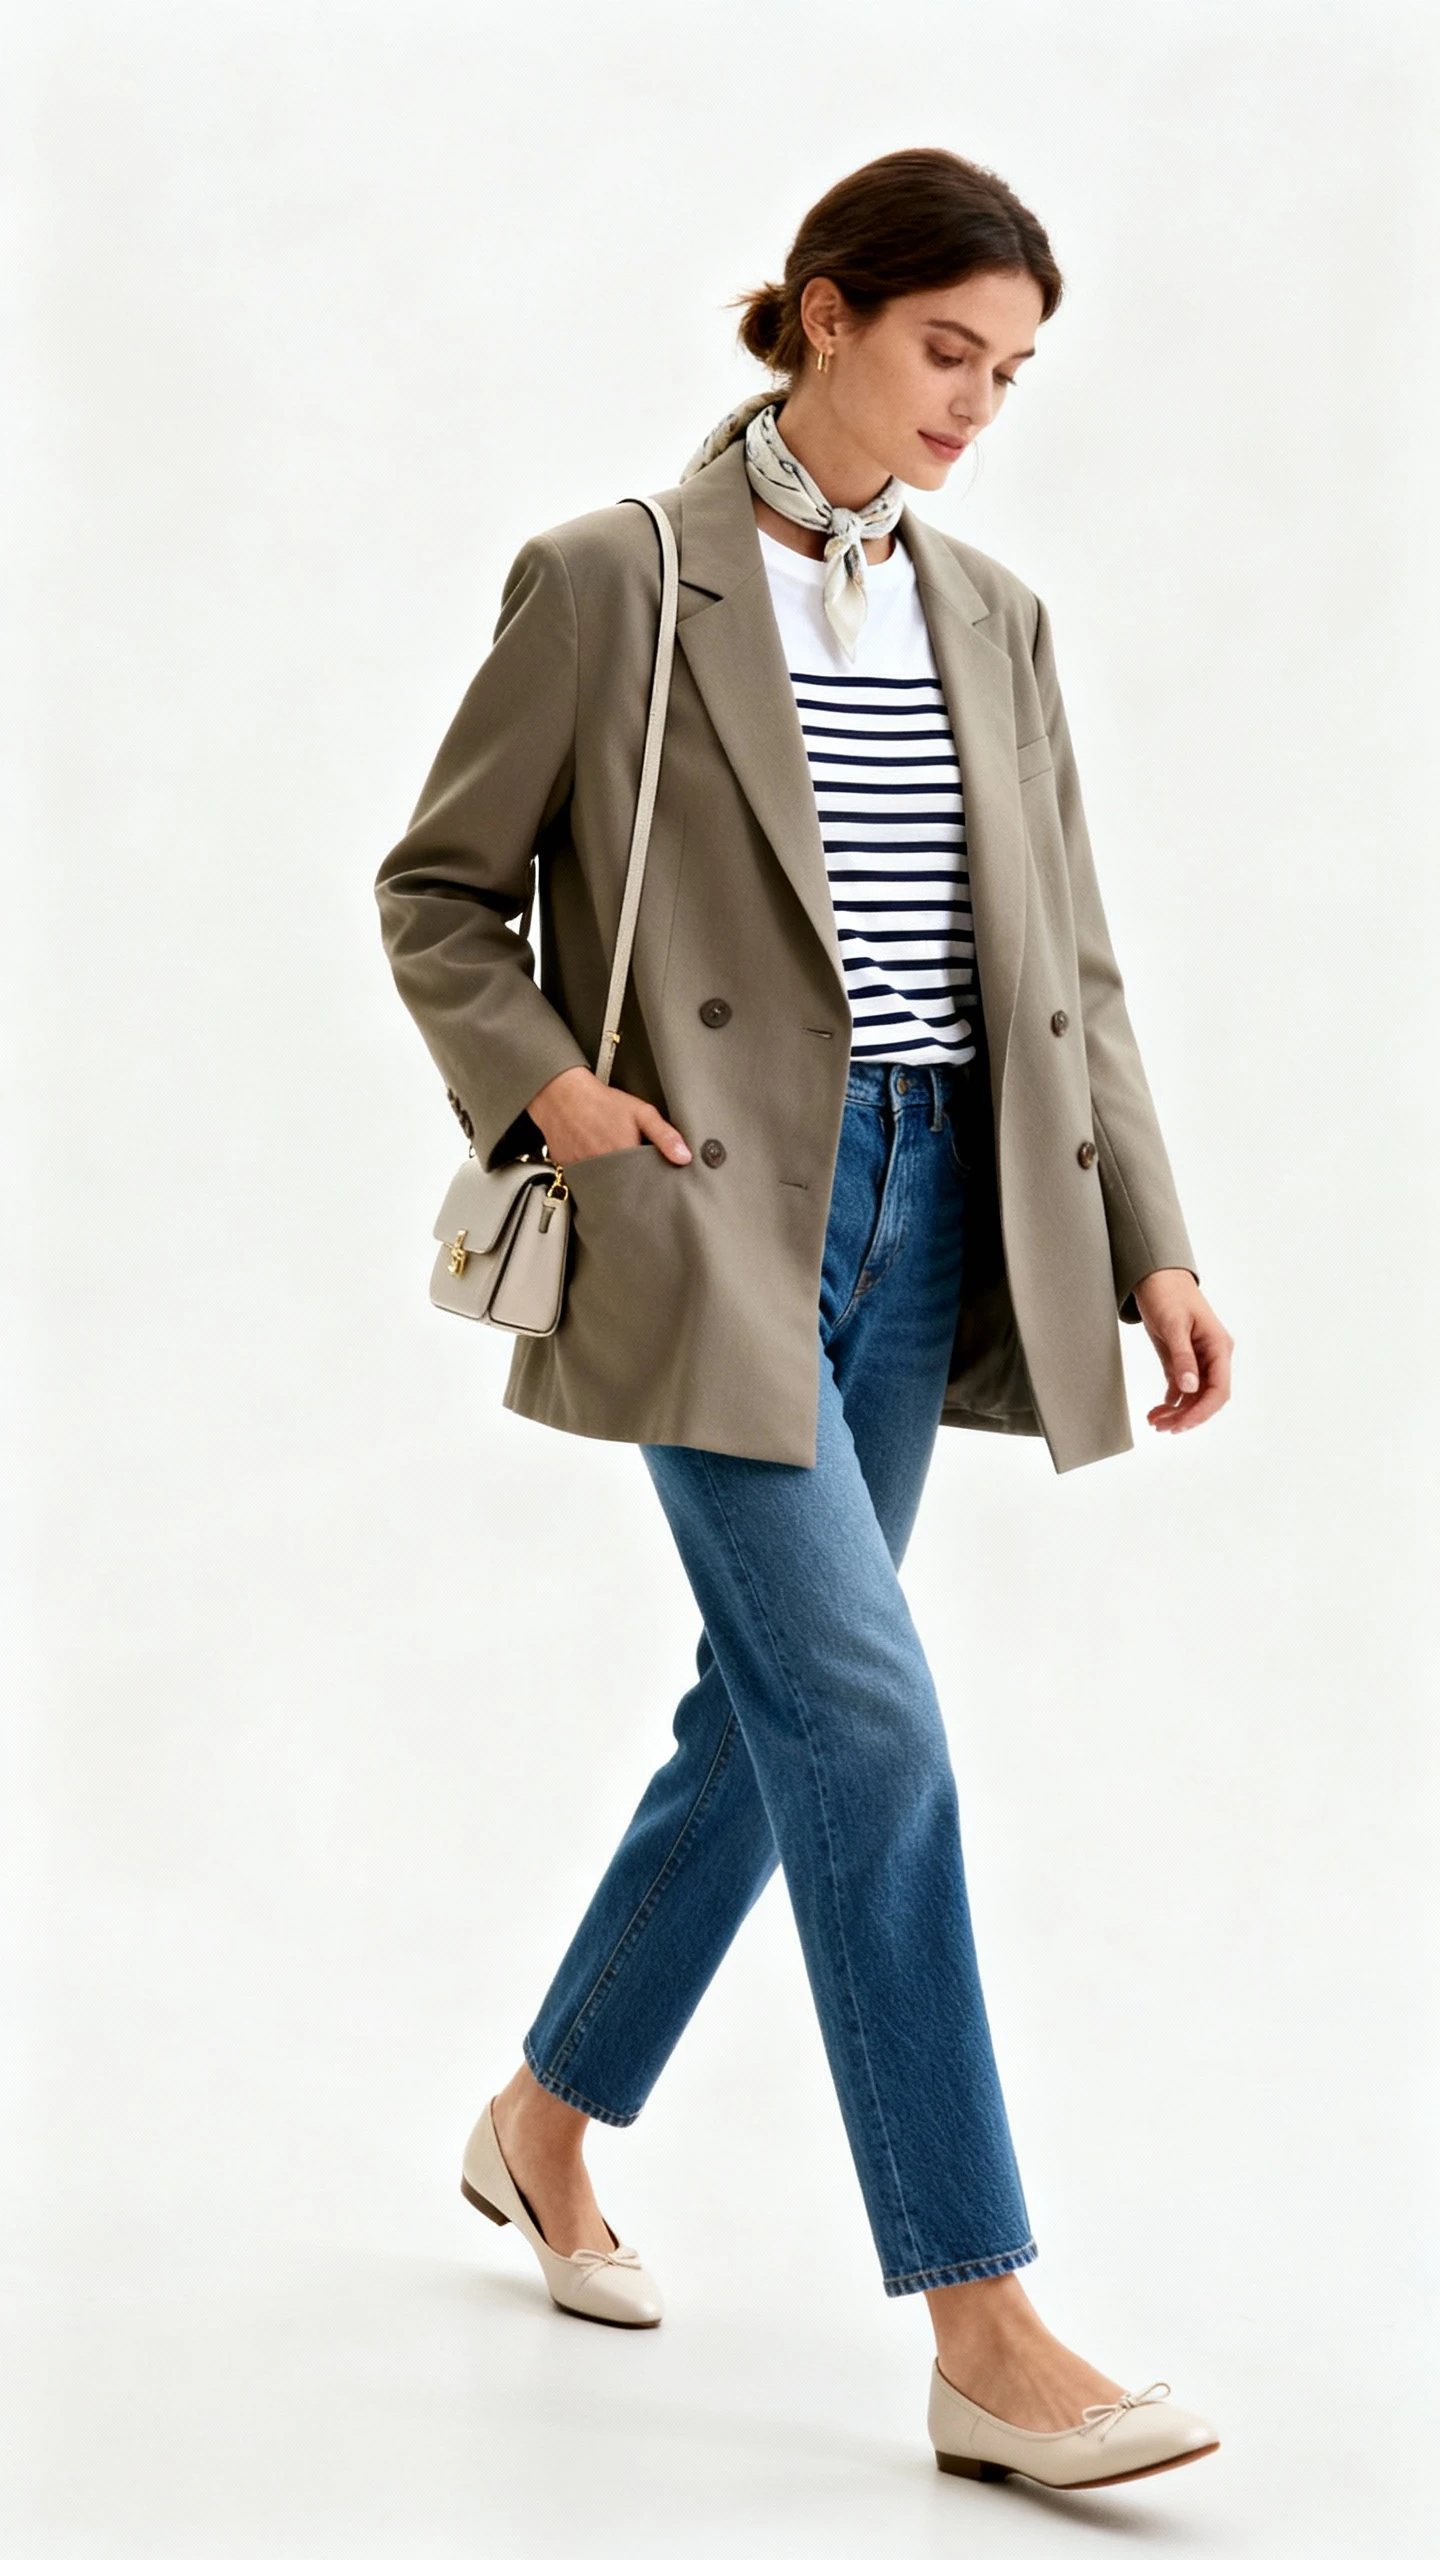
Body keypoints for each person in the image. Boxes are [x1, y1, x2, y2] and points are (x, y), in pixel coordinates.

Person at [374, 146, 1233, 2494]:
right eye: (949, 351)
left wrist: (1146, 1226)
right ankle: (984, 2321)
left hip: (943, 1203)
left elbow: (1068, 964)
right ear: (825, 316)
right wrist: (553, 1087)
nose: (979, 406)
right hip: (709, 1219)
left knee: (767, 1725)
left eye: (1015, 371)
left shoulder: (998, 614)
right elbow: (440, 890)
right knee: (867, 1719)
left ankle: (540, 2117)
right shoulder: (615, 581)